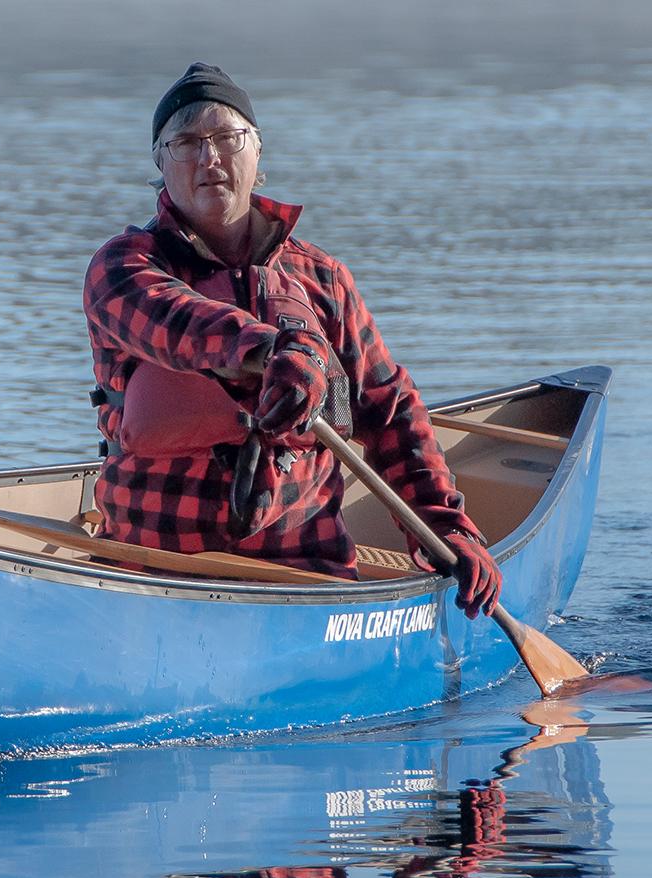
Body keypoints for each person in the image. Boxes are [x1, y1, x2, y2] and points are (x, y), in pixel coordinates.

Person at [81, 62, 501, 616]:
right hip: (154, 567)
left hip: (304, 570)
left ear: (257, 158)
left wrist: (447, 529)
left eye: (227, 139)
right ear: (162, 165)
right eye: (185, 143)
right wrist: (275, 352)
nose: (209, 159)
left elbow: (388, 406)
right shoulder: (122, 266)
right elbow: (175, 320)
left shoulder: (321, 277)